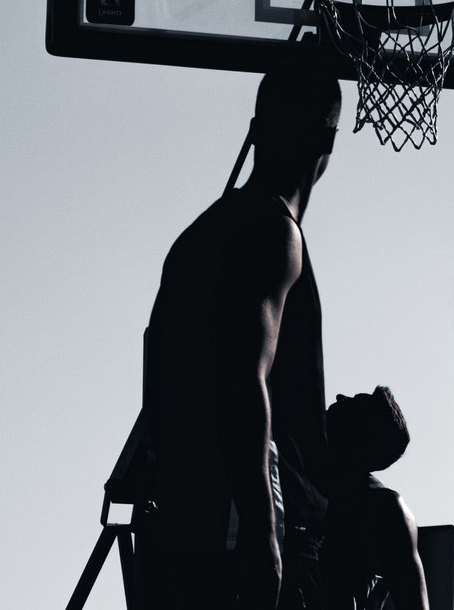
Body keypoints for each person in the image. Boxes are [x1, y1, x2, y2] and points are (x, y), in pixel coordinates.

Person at [135, 58, 342, 610]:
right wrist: (261, 530)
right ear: (329, 141)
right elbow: (241, 376)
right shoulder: (273, 232)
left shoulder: (200, 234)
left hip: (186, 520)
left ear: (254, 131)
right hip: (238, 526)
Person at [321, 388, 430, 610]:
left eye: (353, 404)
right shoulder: (296, 477)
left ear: (362, 435)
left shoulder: (384, 508)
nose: (340, 397)